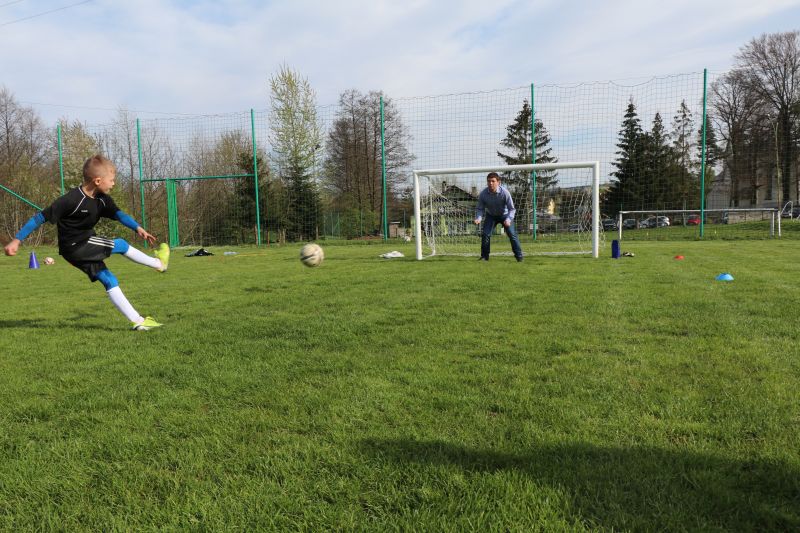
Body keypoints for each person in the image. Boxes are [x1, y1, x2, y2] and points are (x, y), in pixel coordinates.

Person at [3, 154, 170, 330]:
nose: (114, 183)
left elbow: (119, 214)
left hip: (76, 251)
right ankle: (159, 264)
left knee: (108, 279)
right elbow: (39, 218)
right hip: (76, 246)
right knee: (120, 244)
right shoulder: (70, 200)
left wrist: (137, 227)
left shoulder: (103, 200)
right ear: (98, 180)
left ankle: (138, 322)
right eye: (111, 180)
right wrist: (16, 240)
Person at [473, 172, 523, 261]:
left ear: (498, 182)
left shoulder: (505, 193)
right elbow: (480, 209)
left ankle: (519, 256)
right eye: (489, 181)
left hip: (505, 215)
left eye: (493, 181)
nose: (491, 183)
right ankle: (484, 257)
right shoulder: (483, 194)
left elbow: (512, 209)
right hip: (491, 216)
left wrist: (508, 219)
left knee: (512, 234)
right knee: (485, 234)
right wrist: (478, 218)